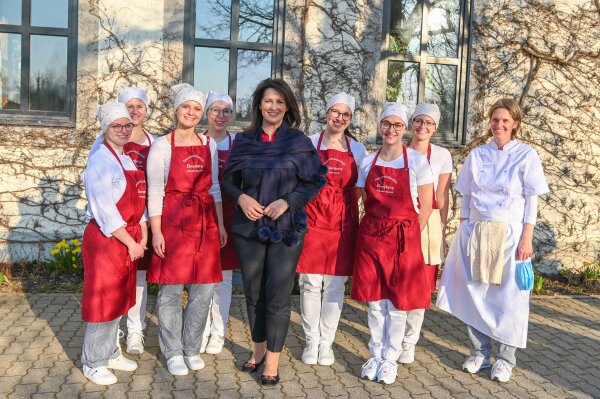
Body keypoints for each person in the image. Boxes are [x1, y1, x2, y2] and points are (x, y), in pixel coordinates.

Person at [436, 98, 549, 382]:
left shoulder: (526, 155)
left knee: (508, 297)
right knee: (476, 293)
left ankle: (505, 358)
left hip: (510, 233)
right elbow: (466, 197)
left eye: (505, 121)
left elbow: (531, 202)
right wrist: (462, 231)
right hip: (477, 230)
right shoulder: (478, 155)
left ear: (515, 124)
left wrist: (527, 238)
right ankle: (480, 352)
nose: (498, 125)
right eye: (495, 120)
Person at [222, 78, 322, 385]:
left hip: (286, 229)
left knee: (278, 295)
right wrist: (241, 198)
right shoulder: (243, 141)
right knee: (253, 295)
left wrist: (288, 202)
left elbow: (315, 181)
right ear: (259, 105)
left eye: (280, 102)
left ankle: (272, 363)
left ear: (288, 106)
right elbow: (227, 180)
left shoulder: (299, 143)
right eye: (268, 101)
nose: (274, 107)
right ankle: (258, 350)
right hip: (248, 228)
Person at [146, 83, 226, 376]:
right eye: (186, 107)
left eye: (196, 108)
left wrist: (220, 224)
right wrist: (157, 232)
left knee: (203, 290)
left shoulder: (210, 145)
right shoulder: (162, 145)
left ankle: (191, 347)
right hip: (174, 222)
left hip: (205, 222)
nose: (191, 113)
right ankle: (173, 351)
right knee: (170, 290)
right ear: (176, 110)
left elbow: (215, 186)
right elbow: (154, 191)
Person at [351, 102, 434, 385]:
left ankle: (390, 357)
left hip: (402, 239)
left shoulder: (417, 162)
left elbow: (425, 206)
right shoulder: (368, 161)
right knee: (375, 302)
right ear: (380, 126)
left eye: (397, 125)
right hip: (372, 236)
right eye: (387, 124)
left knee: (398, 303)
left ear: (405, 128)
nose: (391, 130)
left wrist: (410, 233)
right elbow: (363, 198)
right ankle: (375, 353)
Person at [296, 92, 368, 366]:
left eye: (345, 115)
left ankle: (326, 343)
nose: (339, 118)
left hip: (342, 223)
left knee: (335, 286)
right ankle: (311, 341)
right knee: (310, 284)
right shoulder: (309, 143)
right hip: (312, 220)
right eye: (335, 113)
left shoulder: (358, 150)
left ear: (349, 119)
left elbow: (360, 191)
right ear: (326, 114)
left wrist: (346, 214)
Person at [80, 102, 147, 385]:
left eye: (126, 125)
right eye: (116, 126)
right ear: (105, 129)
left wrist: (142, 231)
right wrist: (131, 242)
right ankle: (92, 362)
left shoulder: (126, 158)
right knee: (103, 300)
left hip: (128, 237)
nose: (123, 130)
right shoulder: (100, 161)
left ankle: (109, 352)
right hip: (107, 240)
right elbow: (105, 209)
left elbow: (139, 201)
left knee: (120, 298)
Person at [89, 87, 155, 355]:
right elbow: (103, 199)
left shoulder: (151, 143)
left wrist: (146, 227)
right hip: (115, 230)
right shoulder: (102, 150)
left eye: (139, 107)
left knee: (135, 283)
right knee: (110, 289)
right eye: (129, 107)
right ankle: (105, 346)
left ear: (146, 111)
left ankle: (134, 332)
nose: (134, 112)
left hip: (140, 223)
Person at [399, 103, 453, 364]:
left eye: (429, 123)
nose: (423, 127)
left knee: (421, 286)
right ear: (411, 124)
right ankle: (393, 337)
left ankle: (409, 341)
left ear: (435, 127)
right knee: (397, 282)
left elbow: (441, 197)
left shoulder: (442, 155)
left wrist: (441, 231)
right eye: (418, 121)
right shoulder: (397, 150)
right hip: (399, 221)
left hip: (428, 222)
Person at [200, 92, 240, 354]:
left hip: (230, 215)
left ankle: (219, 332)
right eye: (215, 110)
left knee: (224, 279)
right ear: (206, 113)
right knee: (203, 278)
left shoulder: (238, 144)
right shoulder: (197, 142)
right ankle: (199, 330)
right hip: (201, 216)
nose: (220, 115)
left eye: (226, 111)